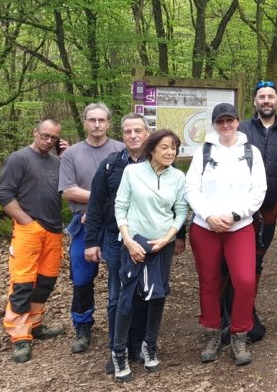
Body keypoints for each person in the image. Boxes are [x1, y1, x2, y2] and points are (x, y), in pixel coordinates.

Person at [186, 103, 267, 365]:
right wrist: (208, 215)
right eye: (220, 121)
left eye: (229, 120)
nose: (225, 125)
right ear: (214, 124)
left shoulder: (251, 151)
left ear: (237, 121)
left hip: (239, 226)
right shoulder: (203, 151)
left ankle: (239, 334)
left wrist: (235, 215)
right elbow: (191, 188)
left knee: (245, 280)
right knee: (209, 281)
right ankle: (211, 333)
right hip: (205, 227)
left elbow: (259, 190)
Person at [111, 129, 188, 382]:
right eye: (165, 147)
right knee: (127, 298)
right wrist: (128, 240)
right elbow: (121, 206)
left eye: (174, 148)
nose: (170, 152)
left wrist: (168, 238)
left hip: (162, 245)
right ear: (152, 149)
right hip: (133, 243)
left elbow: (181, 210)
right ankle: (119, 351)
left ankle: (150, 344)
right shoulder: (132, 172)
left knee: (157, 295)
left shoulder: (177, 177)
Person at [84, 113, 153, 374]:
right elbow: (95, 205)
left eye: (138, 131)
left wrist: (179, 235)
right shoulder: (110, 165)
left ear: (147, 133)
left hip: (148, 241)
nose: (133, 136)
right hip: (116, 240)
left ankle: (137, 344)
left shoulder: (157, 162)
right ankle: (117, 347)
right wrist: (91, 241)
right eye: (128, 132)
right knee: (116, 297)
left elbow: (172, 201)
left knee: (143, 294)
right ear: (122, 135)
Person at [0, 119, 69, 363]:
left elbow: (69, 188)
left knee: (46, 281)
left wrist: (66, 157)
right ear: (35, 132)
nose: (48, 141)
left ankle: (35, 324)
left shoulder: (57, 162)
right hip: (28, 230)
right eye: (45, 135)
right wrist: (26, 221)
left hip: (54, 230)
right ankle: (19, 336)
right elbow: (4, 194)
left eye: (53, 138)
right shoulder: (19, 159)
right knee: (23, 283)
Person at [58, 103, 125, 354]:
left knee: (121, 274)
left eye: (101, 120)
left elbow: (130, 188)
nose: (97, 124)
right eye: (92, 120)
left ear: (108, 122)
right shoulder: (72, 154)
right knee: (82, 277)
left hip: (117, 223)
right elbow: (69, 190)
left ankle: (121, 324)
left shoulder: (121, 150)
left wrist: (99, 207)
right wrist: (99, 202)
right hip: (83, 224)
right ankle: (83, 325)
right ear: (85, 122)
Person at [237, 80, 277, 339]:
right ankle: (232, 312)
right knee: (237, 262)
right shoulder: (242, 130)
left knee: (257, 260)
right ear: (255, 102)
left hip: (270, 209)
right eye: (262, 97)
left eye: (271, 96)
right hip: (242, 210)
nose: (266, 101)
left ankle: (248, 310)